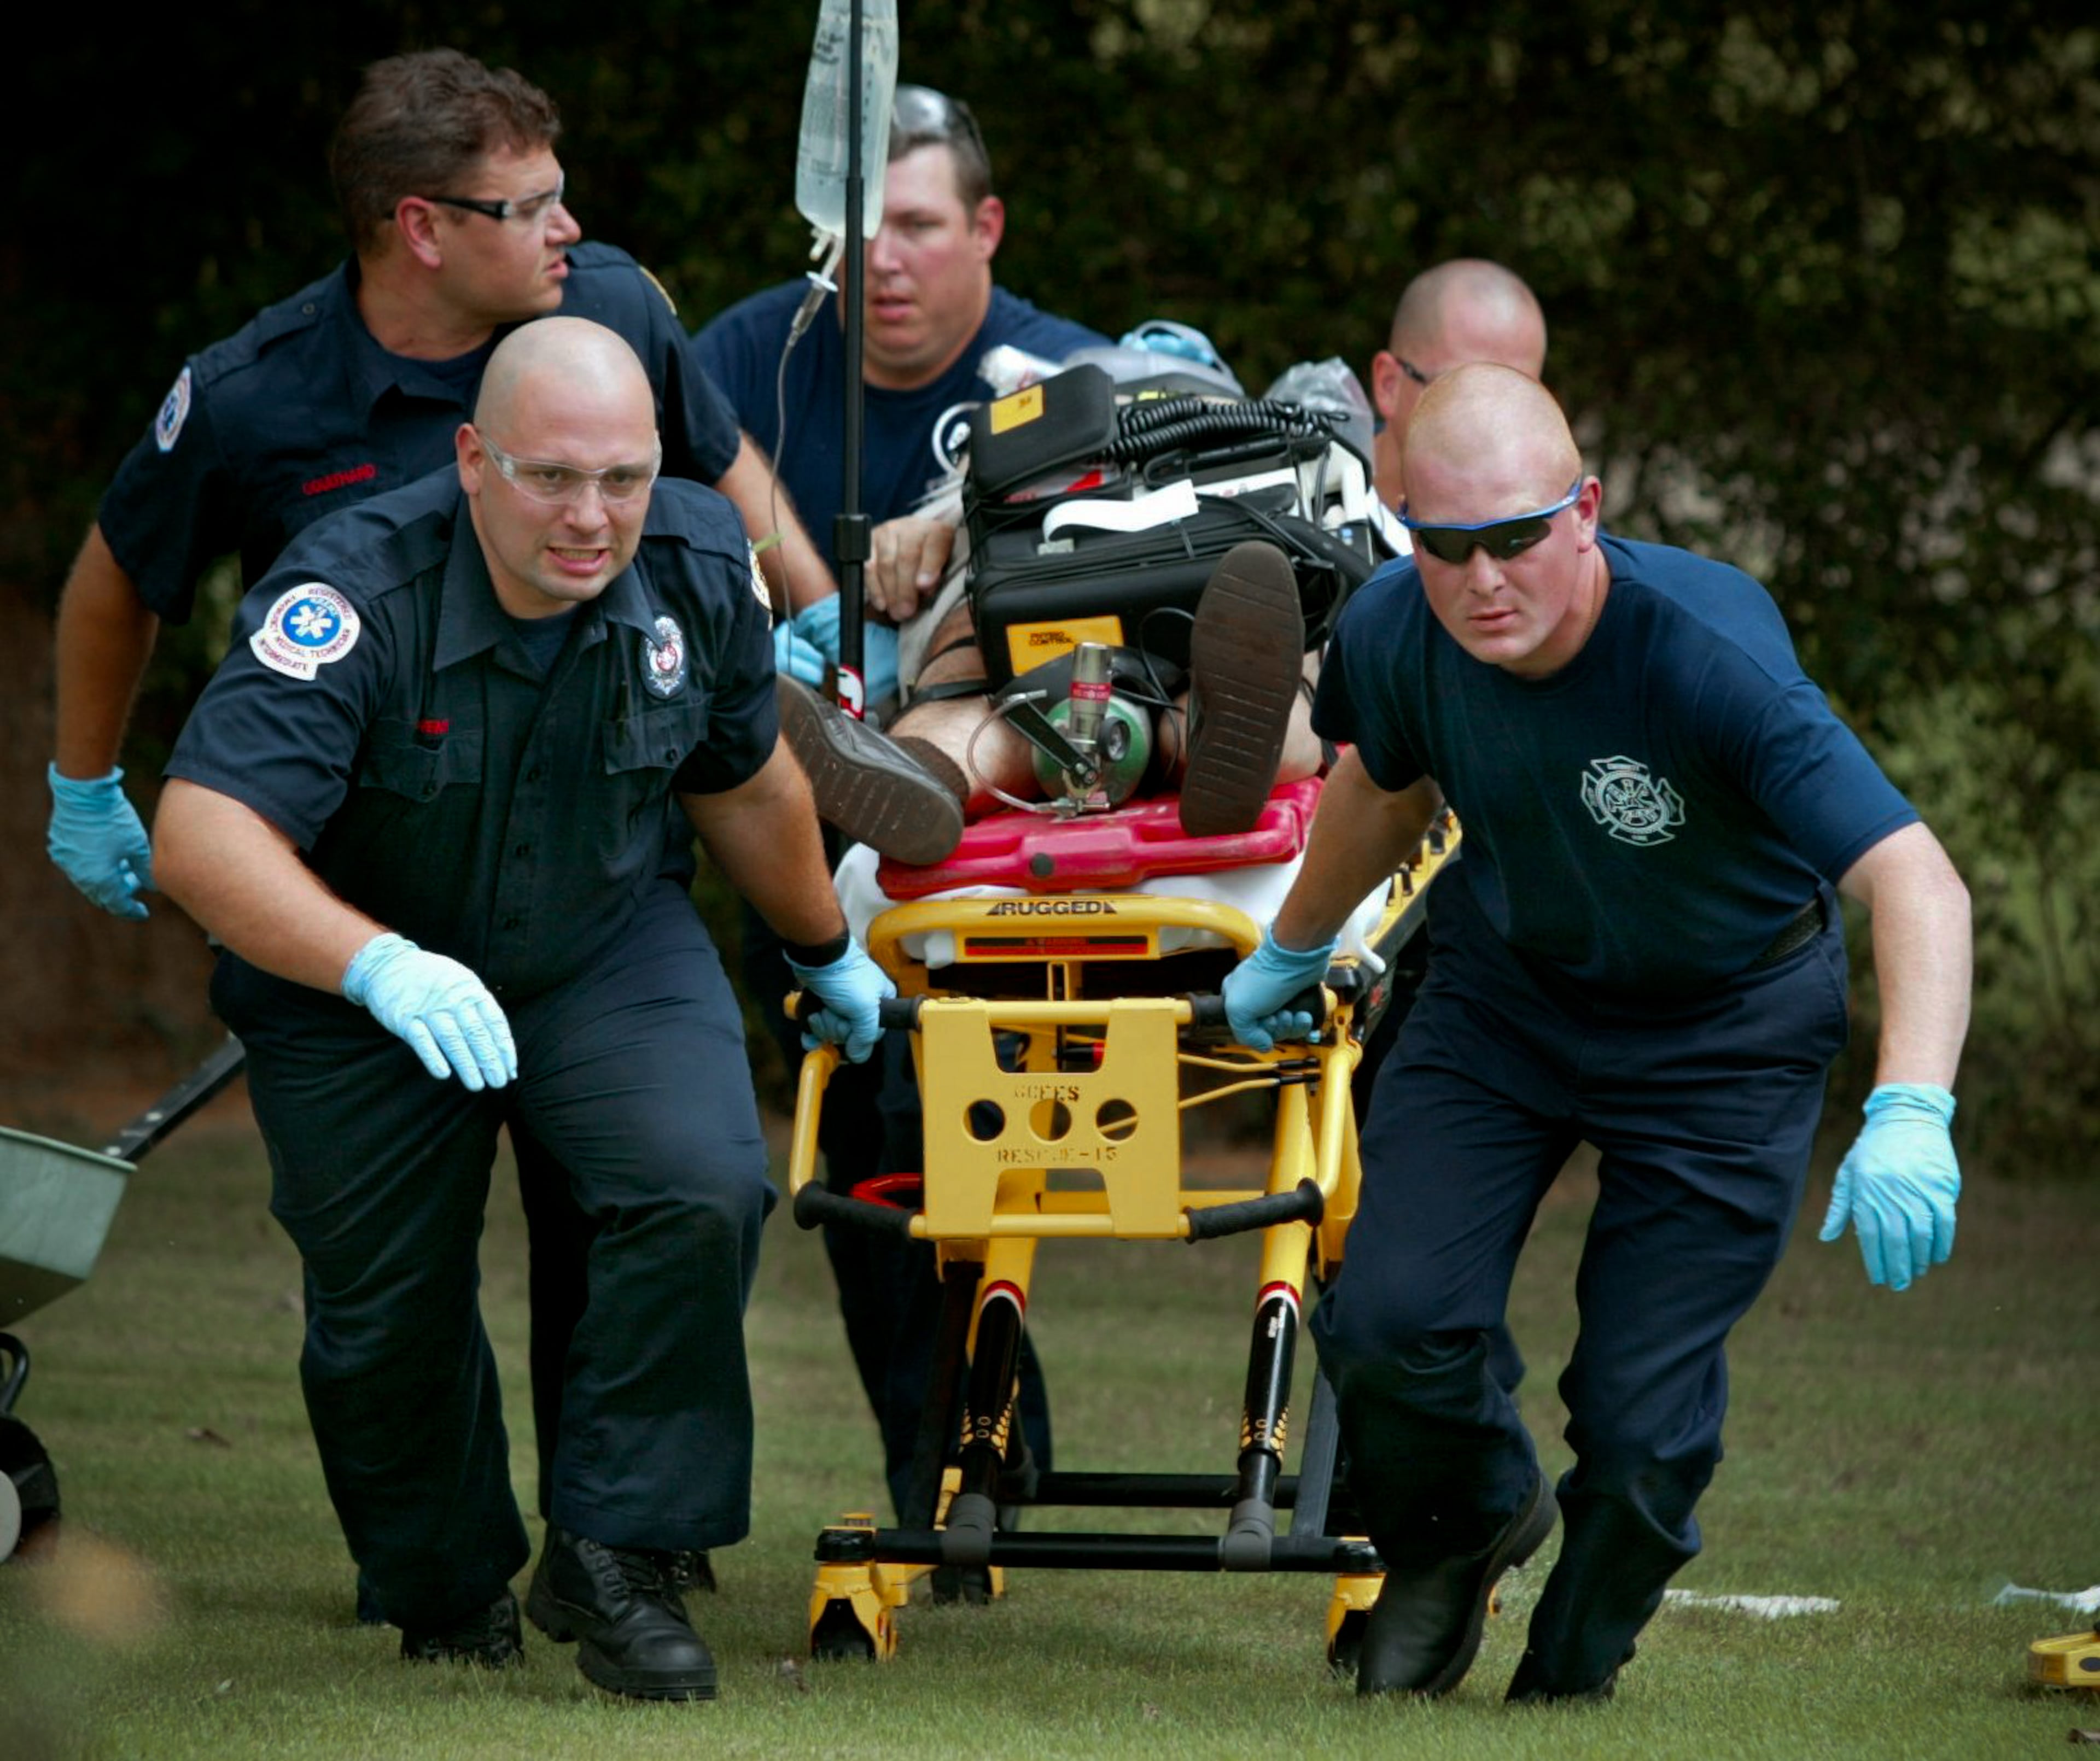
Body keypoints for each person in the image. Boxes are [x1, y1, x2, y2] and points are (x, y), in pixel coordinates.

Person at [43, 46, 835, 1590]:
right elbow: (116, 582)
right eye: (525, 203)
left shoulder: (608, 310)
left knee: (648, 1189)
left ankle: (621, 1548)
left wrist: (798, 617)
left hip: (592, 853)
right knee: (387, 1287)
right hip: (361, 871)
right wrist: (89, 786)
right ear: (421, 226)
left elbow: (721, 476)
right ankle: (444, 1582)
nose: (569, 228)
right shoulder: (265, 391)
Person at [151, 318, 889, 1699]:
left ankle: (616, 1554)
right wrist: (380, 966)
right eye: (551, 478)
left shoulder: (688, 562)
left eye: (620, 477)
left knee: (700, 1184)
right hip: (361, 978)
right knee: (385, 1316)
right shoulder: (354, 591)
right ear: (474, 459)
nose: (591, 517)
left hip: (602, 942)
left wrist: (820, 946)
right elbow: (204, 834)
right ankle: (443, 1582)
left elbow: (745, 781)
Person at [1222, 364, 1970, 1704]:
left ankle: (1571, 1663)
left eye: (1515, 535)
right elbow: (1379, 786)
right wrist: (1292, 941)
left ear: (1584, 508)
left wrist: (1910, 1105)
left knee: (1633, 1427)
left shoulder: (1703, 652)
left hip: (1723, 1032)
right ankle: (1455, 1538)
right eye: (1444, 543)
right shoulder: (1400, 629)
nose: (1482, 577)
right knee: (1388, 1321)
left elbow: (1910, 877)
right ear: (1405, 529)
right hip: (1505, 996)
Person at [695, 83, 1104, 1523]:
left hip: (1012, 874)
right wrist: (783, 591)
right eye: (858, 230)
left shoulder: (1058, 366)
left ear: (985, 228)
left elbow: (1174, 423)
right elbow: (653, 481)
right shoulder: (755, 353)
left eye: (920, 226)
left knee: (972, 1153)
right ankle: (952, 1486)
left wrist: (983, 490)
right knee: (867, 1172)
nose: (884, 260)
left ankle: (991, 1465)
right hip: (801, 836)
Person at [1368, 259, 1548, 510]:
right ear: (1389, 386)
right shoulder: (1306, 503)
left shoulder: (1557, 532)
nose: (1491, 428)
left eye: (1517, 400)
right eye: (1464, 395)